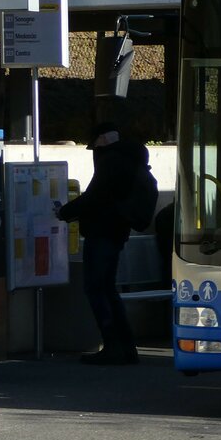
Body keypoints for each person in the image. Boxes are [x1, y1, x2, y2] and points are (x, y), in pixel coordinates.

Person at [57, 122, 142, 364]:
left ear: (102, 141)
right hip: (116, 232)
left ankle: (113, 345)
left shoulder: (111, 162)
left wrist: (64, 212)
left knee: (96, 289)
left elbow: (94, 197)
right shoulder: (128, 158)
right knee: (108, 289)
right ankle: (126, 347)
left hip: (103, 233)